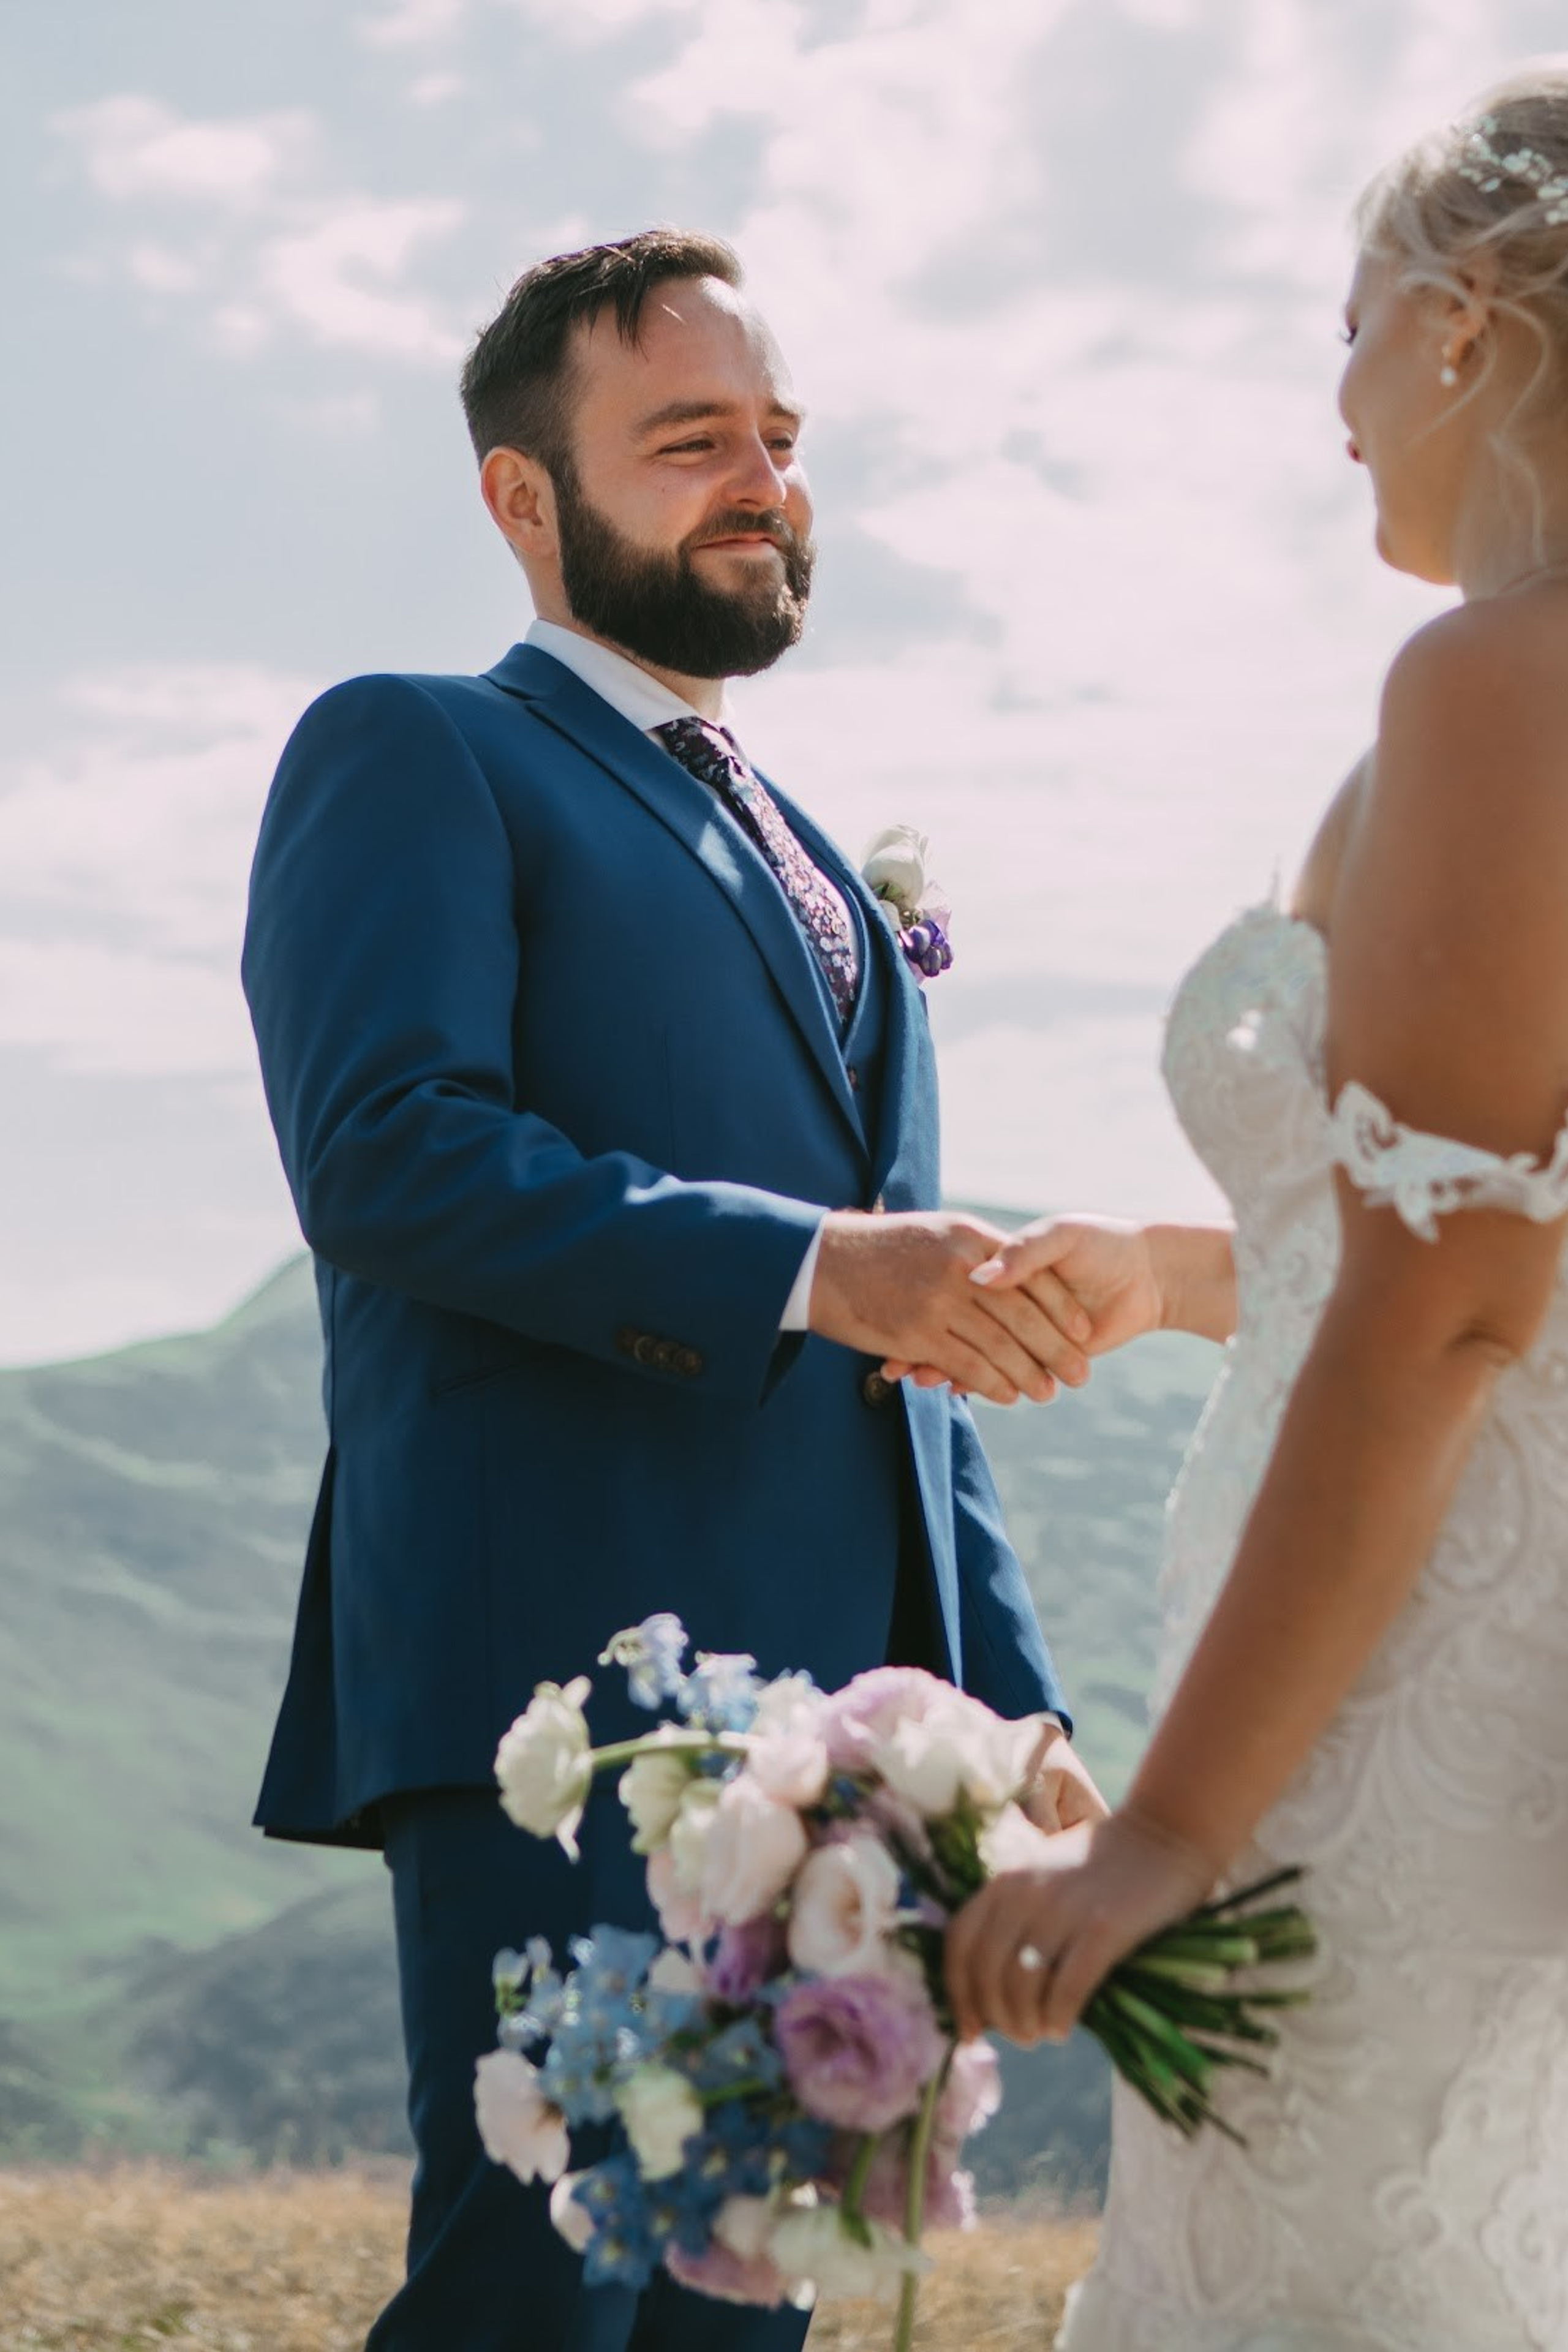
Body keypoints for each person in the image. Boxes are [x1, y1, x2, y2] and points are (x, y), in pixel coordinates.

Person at [241, 228, 1101, 2352]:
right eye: (693, 438)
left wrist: (1008, 1702)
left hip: (843, 1756)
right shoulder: (416, 752)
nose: (762, 483)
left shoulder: (820, 857)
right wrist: (811, 1264)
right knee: (531, 2302)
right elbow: (392, 1153)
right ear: (523, 499)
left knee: (742, 2309)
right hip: (570, 1697)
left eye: (783, 441)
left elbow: (909, 1348)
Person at [940, 62, 1568, 2350]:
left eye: (1354, 322)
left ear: (1471, 328)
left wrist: (1174, 1832)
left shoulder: (1502, 686)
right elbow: (1481, 1239)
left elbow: (1450, 1320)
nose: (1338, 392)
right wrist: (1183, 1275)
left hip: (1377, 1715)